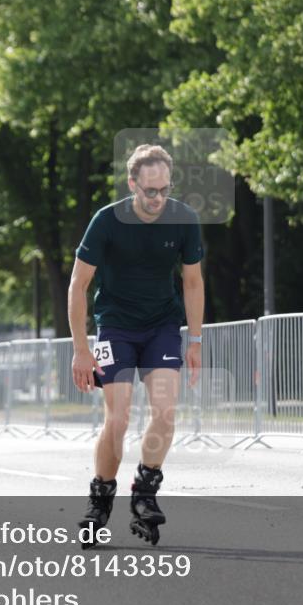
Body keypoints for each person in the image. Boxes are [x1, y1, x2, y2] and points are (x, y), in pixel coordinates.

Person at [68, 144, 204, 546]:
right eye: (150, 190)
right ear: (132, 184)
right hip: (116, 327)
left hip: (162, 325)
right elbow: (78, 284)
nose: (158, 198)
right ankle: (99, 499)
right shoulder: (106, 221)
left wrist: (194, 339)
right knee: (120, 419)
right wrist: (80, 349)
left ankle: (144, 492)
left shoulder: (183, 219)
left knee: (165, 413)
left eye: (164, 189)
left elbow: (193, 282)